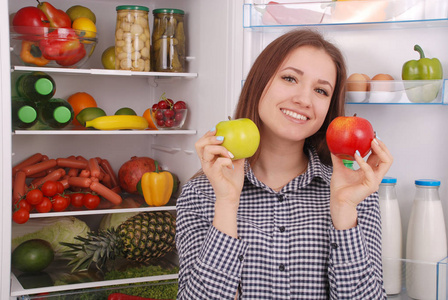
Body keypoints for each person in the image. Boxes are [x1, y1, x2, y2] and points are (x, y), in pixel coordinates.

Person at [175, 29, 393, 300]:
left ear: (329, 107)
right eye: (290, 78)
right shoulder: (202, 194)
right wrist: (227, 203)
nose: (304, 99)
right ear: (259, 82)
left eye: (321, 90)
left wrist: (344, 208)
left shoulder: (358, 194)